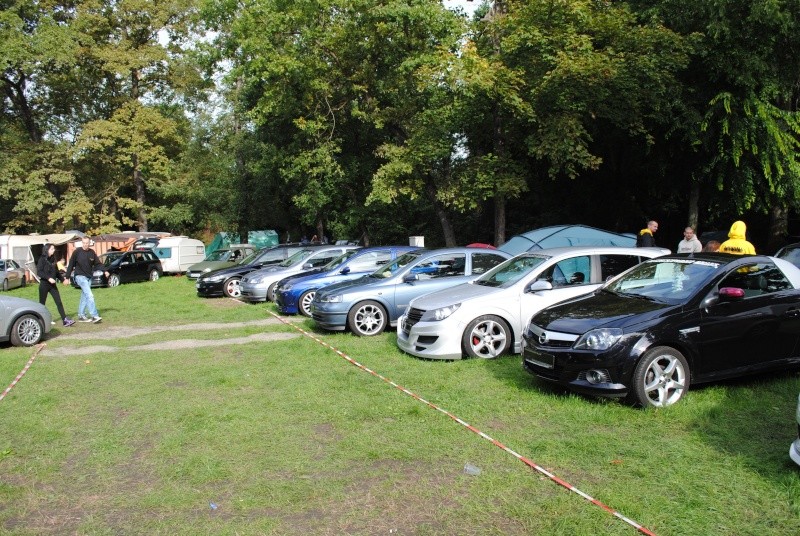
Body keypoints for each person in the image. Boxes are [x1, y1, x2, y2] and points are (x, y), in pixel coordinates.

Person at [64, 236, 108, 323]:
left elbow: (98, 264)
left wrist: (105, 271)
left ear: (89, 243)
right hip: (79, 277)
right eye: (84, 243)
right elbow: (71, 264)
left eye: (87, 243)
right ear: (82, 243)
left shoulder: (92, 253)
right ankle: (94, 315)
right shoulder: (77, 252)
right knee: (90, 295)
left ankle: (81, 315)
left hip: (89, 277)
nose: (85, 245)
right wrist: (67, 277)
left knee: (85, 296)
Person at [37, 244, 75, 327]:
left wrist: (63, 280)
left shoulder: (53, 259)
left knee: (59, 302)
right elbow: (39, 272)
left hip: (53, 285)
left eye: (53, 249)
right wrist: (48, 278)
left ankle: (65, 320)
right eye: (52, 249)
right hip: (44, 284)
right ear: (47, 250)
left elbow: (57, 272)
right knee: (42, 304)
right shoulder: (42, 259)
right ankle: (39, 321)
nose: (53, 250)